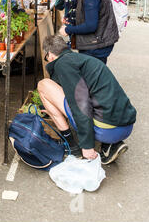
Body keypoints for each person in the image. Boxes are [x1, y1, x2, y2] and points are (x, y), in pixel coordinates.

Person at [38, 35, 136, 164]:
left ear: (50, 55)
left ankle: (72, 147)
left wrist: (87, 146)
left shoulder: (63, 64)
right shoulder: (84, 60)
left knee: (43, 84)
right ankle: (110, 145)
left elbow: (81, 103)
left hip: (107, 130)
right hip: (125, 126)